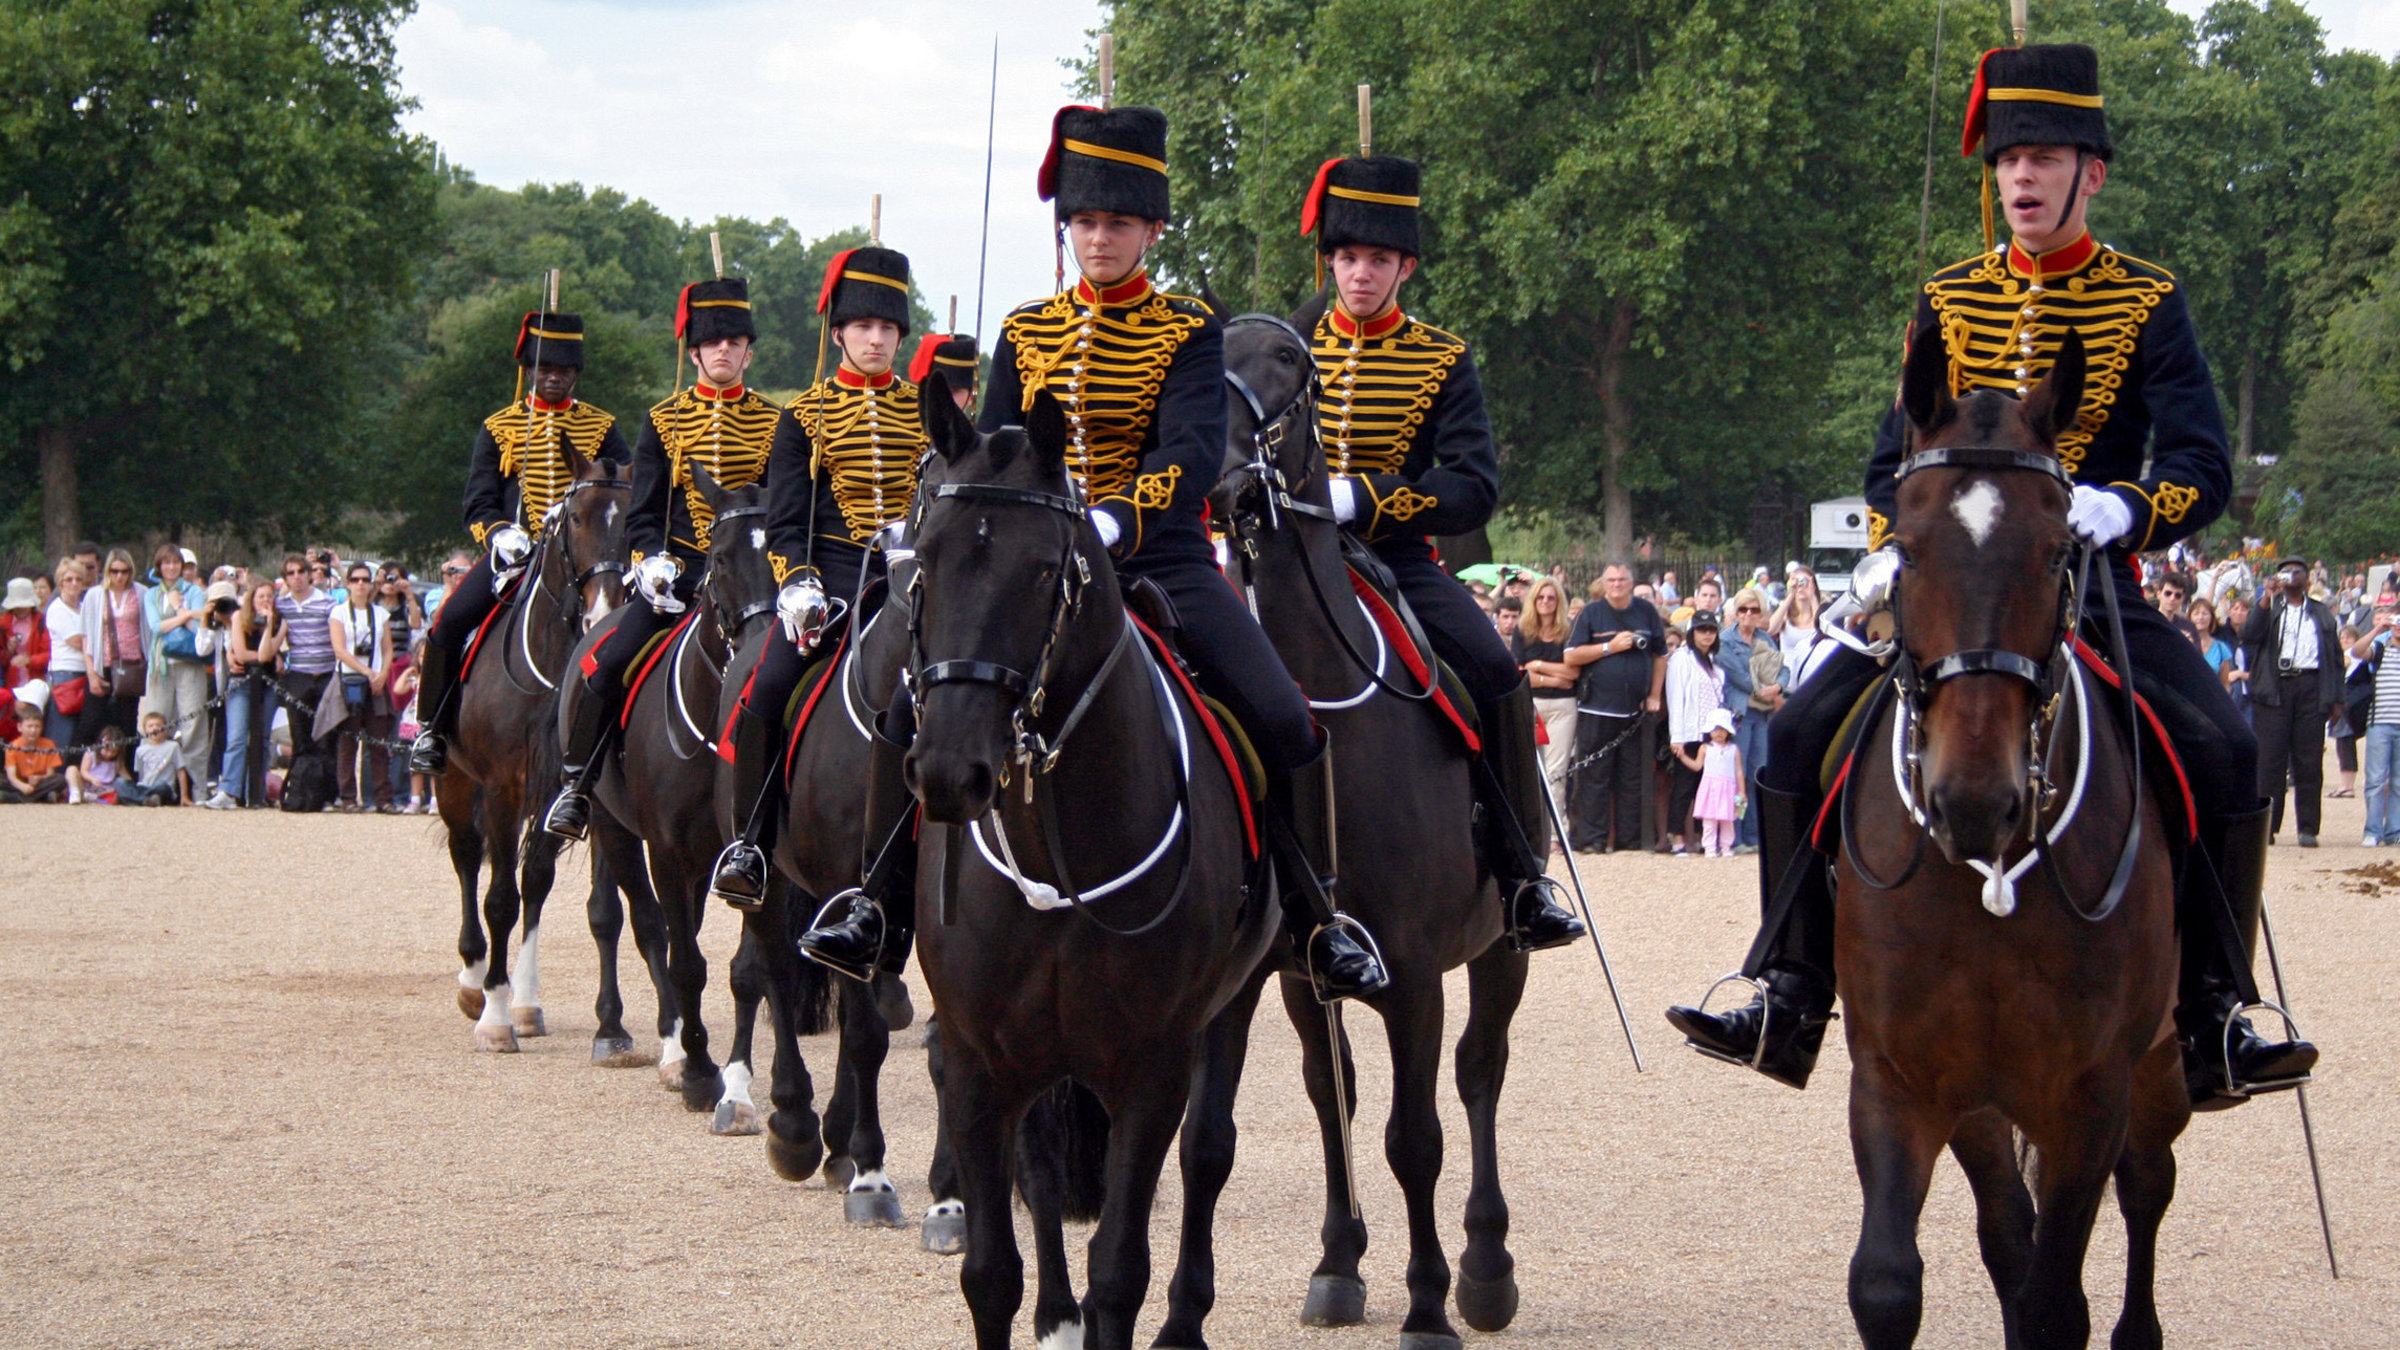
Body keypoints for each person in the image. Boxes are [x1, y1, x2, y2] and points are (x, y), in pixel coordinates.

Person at [1668, 43, 2313, 1109]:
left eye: (2045, 155)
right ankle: (1788, 988)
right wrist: (1891, 536)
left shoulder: (2148, 300)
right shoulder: (1948, 299)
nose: (2021, 176)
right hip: (1948, 591)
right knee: (1792, 738)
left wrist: (2125, 507)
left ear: (2089, 173)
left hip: (2091, 587)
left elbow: (2202, 465)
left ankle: (2215, 1011)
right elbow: (1893, 459)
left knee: (2229, 746)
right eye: (2009, 156)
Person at [803, 102, 1399, 1000]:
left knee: (1283, 718)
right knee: (903, 710)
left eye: (1118, 223)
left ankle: (1319, 921)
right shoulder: (1027, 329)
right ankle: (877, 907)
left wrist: (1116, 517)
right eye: (1084, 222)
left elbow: (1193, 451)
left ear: (1152, 228)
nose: (1099, 238)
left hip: (1156, 561)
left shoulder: (1186, 328)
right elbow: (992, 447)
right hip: (1021, 572)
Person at [1289, 146, 1583, 950]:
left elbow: (1471, 486)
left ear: (1405, 266)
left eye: (1377, 259)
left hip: (1396, 563)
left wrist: (1366, 496)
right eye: (1346, 257)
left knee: (1492, 672)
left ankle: (1522, 875)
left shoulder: (1440, 357)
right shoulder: (1286, 345)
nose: (1358, 274)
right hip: (1287, 565)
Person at [712, 244, 928, 906]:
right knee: (766, 684)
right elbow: (785, 523)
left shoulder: (927, 413)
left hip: (916, 582)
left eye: (888, 329)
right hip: (833, 580)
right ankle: (748, 841)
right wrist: (799, 582)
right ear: (839, 333)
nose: (877, 339)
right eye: (864, 327)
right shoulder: (802, 417)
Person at [545, 276, 779, 838]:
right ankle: (578, 784)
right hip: (677, 581)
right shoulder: (663, 420)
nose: (724, 350)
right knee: (605, 663)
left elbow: (784, 509)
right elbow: (643, 511)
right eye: (713, 342)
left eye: (735, 341)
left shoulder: (775, 422)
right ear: (695, 352)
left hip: (752, 582)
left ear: (749, 351)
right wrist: (650, 558)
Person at [410, 312, 629, 774]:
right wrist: (499, 534)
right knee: (448, 625)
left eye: (564, 370)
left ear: (576, 374)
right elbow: (478, 501)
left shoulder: (602, 427)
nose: (555, 377)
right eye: (545, 369)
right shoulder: (500, 426)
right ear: (529, 371)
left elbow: (625, 492)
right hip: (517, 555)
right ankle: (431, 726)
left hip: (584, 558)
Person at [1563, 562, 1665, 853]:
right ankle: (1591, 840)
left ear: (1631, 583)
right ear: (1604, 583)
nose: (1617, 585)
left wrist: (1655, 693)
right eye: (1611, 580)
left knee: (1633, 779)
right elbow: (1571, 656)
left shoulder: (1646, 612)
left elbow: (1660, 655)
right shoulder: (1591, 613)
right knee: (1594, 778)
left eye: (1622, 580)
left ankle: (1630, 841)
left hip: (1635, 711)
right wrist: (1609, 647)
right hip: (1597, 708)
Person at [2241, 557, 2342, 847]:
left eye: (2297, 571)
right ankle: (2268, 827)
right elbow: (2249, 635)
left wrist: (2337, 699)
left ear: (2307, 580)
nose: (2291, 575)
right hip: (2275, 688)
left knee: (2309, 761)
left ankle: (2308, 828)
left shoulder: (2321, 613)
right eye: (2286, 571)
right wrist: (2265, 599)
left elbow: (2335, 658)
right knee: (2270, 761)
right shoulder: (2269, 608)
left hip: (2311, 687)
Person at [142, 543, 212, 796]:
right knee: (157, 722)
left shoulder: (193, 590)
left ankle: (198, 788)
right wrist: (181, 614)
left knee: (193, 725)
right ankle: (158, 785)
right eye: (166, 563)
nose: (171, 568)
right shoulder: (151, 595)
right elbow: (156, 627)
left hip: (189, 664)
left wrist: (182, 614)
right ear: (159, 567)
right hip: (160, 664)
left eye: (176, 563)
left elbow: (198, 625)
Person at [329, 562, 397, 812]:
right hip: (351, 681)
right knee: (348, 742)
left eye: (365, 580)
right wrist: (367, 672)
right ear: (348, 583)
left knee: (378, 742)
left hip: (376, 682)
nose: (360, 584)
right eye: (355, 580)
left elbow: (388, 648)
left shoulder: (380, 614)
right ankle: (348, 797)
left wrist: (383, 674)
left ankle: (382, 797)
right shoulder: (339, 613)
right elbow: (339, 649)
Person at [1514, 577, 1579, 830]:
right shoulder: (1523, 629)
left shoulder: (1570, 630)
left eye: (1551, 597)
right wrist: (1554, 676)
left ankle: (1555, 831)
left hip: (1563, 705)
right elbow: (1521, 671)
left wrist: (1538, 667)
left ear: (1558, 601)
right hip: (1533, 705)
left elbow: (1573, 674)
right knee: (1529, 767)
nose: (1545, 602)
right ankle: (1531, 827)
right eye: (1540, 597)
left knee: (1557, 770)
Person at [213, 578, 282, 809]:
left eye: (269, 596)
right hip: (242, 682)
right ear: (252, 599)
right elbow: (242, 653)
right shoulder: (238, 618)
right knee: (237, 737)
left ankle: (255, 790)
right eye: (261, 596)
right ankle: (229, 790)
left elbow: (265, 654)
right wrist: (264, 655)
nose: (266, 601)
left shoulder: (281, 622)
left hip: (268, 683)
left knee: (262, 739)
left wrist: (270, 626)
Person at [1726, 585, 1779, 854]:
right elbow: (1739, 676)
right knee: (1738, 776)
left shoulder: (1766, 639)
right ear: (1735, 613)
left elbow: (1782, 669)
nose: (1748, 614)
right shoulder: (1725, 641)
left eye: (1754, 609)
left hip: (1762, 713)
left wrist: (1778, 685)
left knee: (1759, 772)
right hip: (1740, 715)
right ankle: (1734, 834)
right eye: (1743, 609)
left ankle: (1755, 833)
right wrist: (1766, 686)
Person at [80, 547, 150, 747]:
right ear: (107, 571)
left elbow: (149, 630)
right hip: (103, 664)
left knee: (127, 724)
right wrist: (92, 673)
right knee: (90, 722)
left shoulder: (142, 593)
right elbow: (86, 636)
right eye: (115, 571)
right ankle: (80, 769)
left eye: (125, 571)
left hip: (132, 665)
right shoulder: (95, 595)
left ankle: (126, 771)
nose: (120, 576)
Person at [2354, 602, 2397, 847]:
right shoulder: (2380, 648)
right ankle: (2373, 829)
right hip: (2380, 721)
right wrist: (2378, 629)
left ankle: (2394, 831)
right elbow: (2358, 651)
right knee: (2376, 780)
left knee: (2399, 782)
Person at [1683, 708, 1745, 858]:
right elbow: (1697, 766)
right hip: (1710, 787)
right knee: (1709, 820)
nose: (1719, 733)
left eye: (1723, 729)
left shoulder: (1734, 749)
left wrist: (1741, 791)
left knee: (1728, 820)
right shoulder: (1705, 748)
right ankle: (1709, 847)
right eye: (1715, 729)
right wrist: (1682, 756)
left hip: (1728, 788)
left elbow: (1739, 771)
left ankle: (1726, 847)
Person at [42, 558, 88, 748]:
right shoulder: (56, 609)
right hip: (66, 674)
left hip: (86, 671)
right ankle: (56, 774)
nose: (74, 583)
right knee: (62, 730)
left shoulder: (84, 607)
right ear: (60, 582)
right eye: (69, 579)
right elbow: (77, 641)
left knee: (81, 730)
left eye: (78, 579)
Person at [2, 700, 66, 803]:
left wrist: (40, 778)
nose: (33, 731)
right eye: (29, 726)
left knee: (60, 779)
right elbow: (11, 776)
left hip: (39, 781)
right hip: (20, 780)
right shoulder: (13, 746)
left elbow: (50, 773)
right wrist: (22, 786)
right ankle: (42, 797)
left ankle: (15, 798)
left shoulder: (49, 744)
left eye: (37, 727)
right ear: (20, 727)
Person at [118, 709, 185, 806]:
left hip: (163, 788)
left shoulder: (173, 746)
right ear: (145, 730)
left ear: (165, 728)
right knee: (119, 782)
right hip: (144, 786)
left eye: (158, 725)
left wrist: (184, 795)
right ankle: (146, 800)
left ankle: (138, 799)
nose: (155, 728)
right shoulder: (140, 750)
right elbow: (140, 774)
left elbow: (181, 770)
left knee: (161, 785)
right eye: (151, 726)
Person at [4, 577, 48, 691]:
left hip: (36, 684)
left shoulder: (42, 622)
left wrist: (29, 660)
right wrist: (7, 651)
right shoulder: (3, 624)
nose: (20, 609)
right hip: (10, 684)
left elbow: (50, 654)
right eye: (17, 606)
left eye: (24, 605)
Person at [71, 724, 127, 804]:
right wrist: (92, 779)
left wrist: (131, 786)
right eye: (107, 750)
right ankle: (76, 794)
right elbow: (84, 771)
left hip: (105, 789)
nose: (109, 754)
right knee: (71, 769)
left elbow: (126, 777)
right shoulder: (91, 754)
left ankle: (95, 799)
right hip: (89, 785)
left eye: (114, 752)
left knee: (116, 797)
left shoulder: (116, 762)